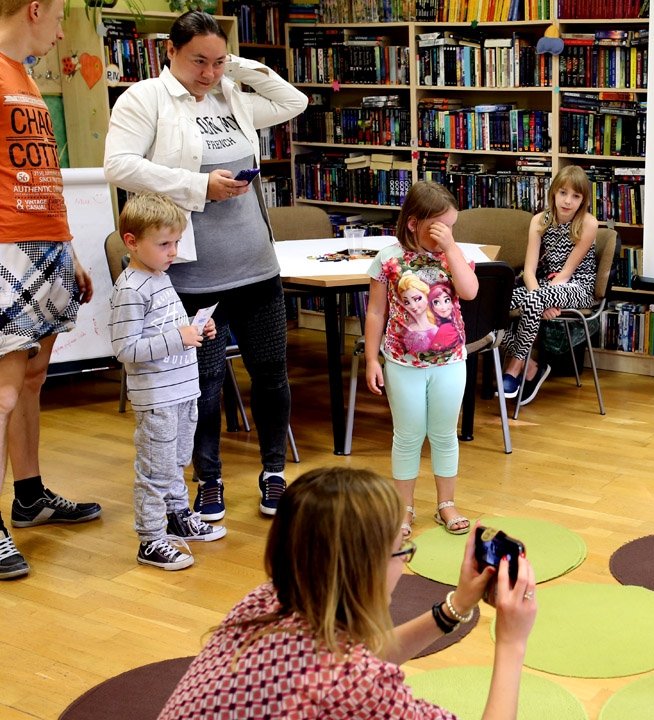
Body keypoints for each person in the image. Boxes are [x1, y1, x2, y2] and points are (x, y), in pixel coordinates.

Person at [103, 10, 307, 522]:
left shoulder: (229, 94)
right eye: (198, 61)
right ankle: (209, 479)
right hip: (193, 273)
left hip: (255, 263)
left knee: (271, 374)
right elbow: (118, 165)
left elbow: (293, 102)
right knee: (204, 384)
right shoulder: (145, 99)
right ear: (169, 51)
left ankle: (274, 472)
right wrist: (198, 186)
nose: (209, 73)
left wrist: (233, 65)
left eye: (218, 62)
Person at [159, 466, 539, 719]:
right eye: (401, 550)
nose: (404, 562)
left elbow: (355, 663)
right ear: (365, 568)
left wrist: (456, 607)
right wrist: (512, 642)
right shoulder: (355, 687)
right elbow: (354, 679)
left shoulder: (265, 601)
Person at [0, 0, 102, 581]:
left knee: (32, 381)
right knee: (2, 392)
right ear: (35, 8)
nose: (63, 31)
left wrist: (69, 249)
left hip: (47, 245)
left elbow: (39, 175)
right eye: (60, 17)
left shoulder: (27, 78)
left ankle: (30, 496)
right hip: (7, 247)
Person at [109, 193, 226, 571]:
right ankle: (150, 538)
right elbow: (125, 348)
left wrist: (196, 326)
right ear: (132, 242)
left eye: (176, 242)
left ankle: (177, 516)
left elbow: (164, 328)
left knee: (176, 462)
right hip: (157, 397)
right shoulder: (131, 288)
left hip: (182, 390)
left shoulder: (160, 277)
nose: (173, 251)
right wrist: (179, 337)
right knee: (155, 470)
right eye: (164, 244)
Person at [364, 182, 479, 538]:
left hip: (450, 362)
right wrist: (371, 359)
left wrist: (451, 248)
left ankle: (446, 504)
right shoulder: (388, 259)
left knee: (444, 434)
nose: (446, 233)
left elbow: (470, 291)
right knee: (408, 436)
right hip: (402, 364)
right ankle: (404, 508)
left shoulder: (454, 254)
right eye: (439, 227)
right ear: (414, 223)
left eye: (451, 226)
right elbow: (375, 312)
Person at [500, 164, 598, 407]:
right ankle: (532, 365)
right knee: (492, 304)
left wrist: (541, 298)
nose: (568, 201)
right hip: (544, 287)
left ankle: (514, 367)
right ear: (553, 192)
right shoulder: (539, 221)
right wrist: (540, 301)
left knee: (536, 299)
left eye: (576, 196)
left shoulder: (588, 223)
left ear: (583, 200)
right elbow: (529, 272)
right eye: (563, 193)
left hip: (577, 286)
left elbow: (566, 274)